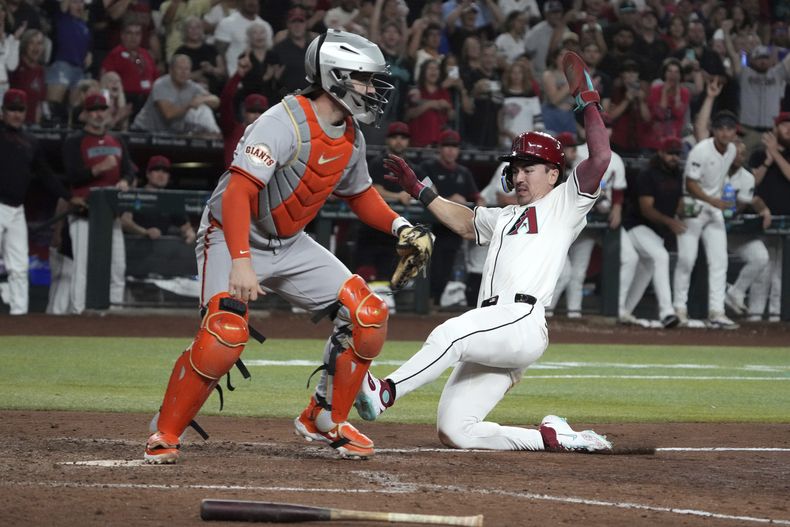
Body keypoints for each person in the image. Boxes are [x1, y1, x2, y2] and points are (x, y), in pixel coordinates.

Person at [144, 30, 426, 464]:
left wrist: (402, 227)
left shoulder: (350, 134)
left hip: (290, 241)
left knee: (369, 314)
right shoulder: (282, 121)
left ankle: (325, 417)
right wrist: (241, 262)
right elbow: (238, 194)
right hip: (232, 233)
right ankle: (165, 431)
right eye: (366, 80)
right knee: (225, 332)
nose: (373, 91)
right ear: (336, 78)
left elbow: (360, 194)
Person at [353, 53, 614, 452]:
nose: (520, 174)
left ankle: (384, 392)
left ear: (553, 174)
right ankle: (554, 438)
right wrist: (419, 189)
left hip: (520, 319)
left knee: (450, 332)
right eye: (518, 166)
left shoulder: (564, 205)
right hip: (495, 326)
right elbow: (463, 221)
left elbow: (600, 158)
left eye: (530, 167)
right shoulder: (506, 215)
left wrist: (588, 100)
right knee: (456, 431)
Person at [0, 89, 84, 315]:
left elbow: (46, 175)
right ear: (2, 112)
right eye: (12, 110)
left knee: (19, 266)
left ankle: (19, 316)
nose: (16, 115)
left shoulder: (30, 141)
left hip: (17, 209)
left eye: (20, 110)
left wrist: (68, 196)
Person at [62, 93, 136, 314]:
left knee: (117, 267)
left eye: (102, 109)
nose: (98, 113)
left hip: (111, 215)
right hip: (84, 213)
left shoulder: (117, 140)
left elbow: (129, 171)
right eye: (93, 110)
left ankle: (111, 315)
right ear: (84, 114)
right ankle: (78, 313)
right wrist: (97, 168)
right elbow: (71, 176)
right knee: (83, 267)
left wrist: (125, 180)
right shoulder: (75, 140)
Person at [672, 110, 738, 329]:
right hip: (692, 207)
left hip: (713, 207)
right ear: (714, 131)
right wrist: (713, 200)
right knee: (687, 260)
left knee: (720, 261)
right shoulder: (701, 150)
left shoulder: (732, 150)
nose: (725, 133)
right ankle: (679, 309)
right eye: (721, 128)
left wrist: (720, 200)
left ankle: (717, 311)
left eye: (729, 129)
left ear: (734, 131)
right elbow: (691, 183)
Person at [619, 137, 685, 327]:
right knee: (661, 257)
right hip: (636, 226)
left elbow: (678, 203)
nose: (674, 157)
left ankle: (624, 311)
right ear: (661, 153)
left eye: (677, 154)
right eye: (671, 153)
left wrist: (685, 211)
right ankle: (667, 313)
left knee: (647, 267)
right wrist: (670, 221)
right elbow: (646, 208)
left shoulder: (677, 174)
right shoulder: (648, 174)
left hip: (657, 231)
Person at [418, 129, 481, 305]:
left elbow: (477, 197)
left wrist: (480, 206)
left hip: (453, 230)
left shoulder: (463, 172)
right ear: (440, 148)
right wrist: (450, 199)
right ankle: (423, 303)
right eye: (447, 146)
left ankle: (434, 302)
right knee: (430, 268)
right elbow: (426, 193)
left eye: (454, 146)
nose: (451, 150)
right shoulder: (427, 167)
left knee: (445, 269)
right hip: (430, 228)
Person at [354, 121, 412, 282]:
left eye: (403, 137)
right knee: (365, 276)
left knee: (387, 278)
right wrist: (399, 196)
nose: (399, 141)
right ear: (387, 140)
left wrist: (412, 194)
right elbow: (373, 190)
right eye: (395, 137)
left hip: (395, 233)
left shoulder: (412, 166)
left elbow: (431, 188)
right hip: (372, 229)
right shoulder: (378, 162)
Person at [748, 112, 790, 322]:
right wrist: (767, 159)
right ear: (775, 129)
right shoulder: (758, 154)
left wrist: (777, 154)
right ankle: (755, 316)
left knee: (781, 273)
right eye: (784, 125)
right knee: (763, 270)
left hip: (787, 223)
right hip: (763, 219)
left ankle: (776, 317)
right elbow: (752, 183)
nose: (788, 129)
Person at [723, 140, 772, 320]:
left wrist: (763, 209)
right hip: (710, 226)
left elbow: (740, 206)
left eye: (742, 154)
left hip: (733, 229)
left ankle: (735, 292)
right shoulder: (714, 170)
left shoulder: (747, 177)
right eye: (735, 153)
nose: (738, 157)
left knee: (760, 257)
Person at [131, 54, 221, 136]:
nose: (183, 72)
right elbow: (169, 114)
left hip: (169, 133)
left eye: (186, 69)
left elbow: (216, 101)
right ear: (171, 70)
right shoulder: (160, 85)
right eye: (180, 68)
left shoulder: (192, 87)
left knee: (204, 110)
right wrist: (189, 105)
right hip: (143, 131)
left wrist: (203, 100)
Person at [120, 155, 197, 244]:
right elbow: (124, 221)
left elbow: (185, 227)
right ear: (148, 174)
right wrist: (145, 232)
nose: (161, 174)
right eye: (156, 170)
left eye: (165, 171)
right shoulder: (136, 194)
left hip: (159, 253)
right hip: (133, 249)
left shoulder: (171, 201)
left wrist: (189, 233)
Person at [100, 20, 157, 116]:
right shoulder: (115, 55)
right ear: (122, 35)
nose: (133, 37)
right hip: (126, 99)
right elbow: (106, 81)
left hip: (148, 101)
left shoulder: (144, 55)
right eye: (129, 33)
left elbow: (153, 76)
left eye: (137, 34)